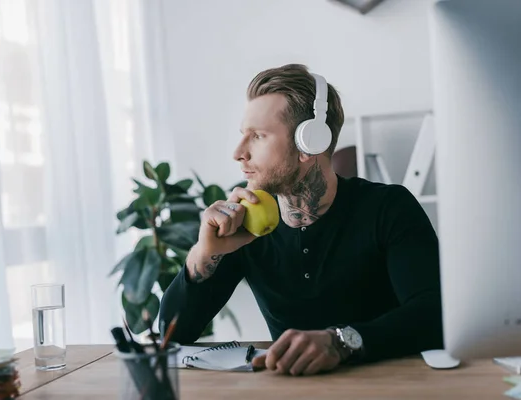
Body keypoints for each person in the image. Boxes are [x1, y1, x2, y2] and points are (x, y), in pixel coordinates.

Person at [159, 63, 443, 376]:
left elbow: (433, 313)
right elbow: (172, 336)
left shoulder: (389, 207)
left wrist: (340, 342)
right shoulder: (241, 219)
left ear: (310, 143)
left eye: (258, 136)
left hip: (392, 386)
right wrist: (204, 254)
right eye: (243, 135)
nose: (238, 153)